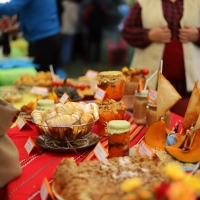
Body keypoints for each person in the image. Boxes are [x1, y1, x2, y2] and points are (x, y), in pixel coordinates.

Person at [121, 0, 200, 116]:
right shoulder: (143, 3)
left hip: (188, 84)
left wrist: (197, 34)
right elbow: (127, 31)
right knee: (149, 123)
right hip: (151, 81)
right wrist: (149, 35)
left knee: (186, 126)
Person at [0, 0, 62, 72]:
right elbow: (39, 12)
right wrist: (20, 27)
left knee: (42, 77)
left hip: (41, 41)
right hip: (53, 35)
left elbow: (10, 8)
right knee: (52, 74)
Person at [59, 0, 82, 66]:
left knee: (62, 46)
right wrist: (78, 25)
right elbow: (75, 18)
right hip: (70, 29)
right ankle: (65, 61)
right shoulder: (73, 6)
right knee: (68, 46)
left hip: (61, 28)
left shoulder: (62, 3)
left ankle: (61, 60)